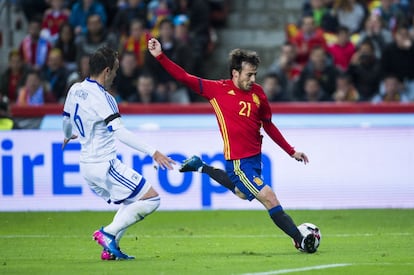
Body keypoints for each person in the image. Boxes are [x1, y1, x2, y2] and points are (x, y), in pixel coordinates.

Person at [148, 38, 318, 253]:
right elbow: (184, 77)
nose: (253, 79)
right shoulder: (216, 90)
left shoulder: (259, 94)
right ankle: (299, 238)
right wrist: (160, 56)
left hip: (255, 160)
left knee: (240, 192)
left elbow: (269, 125)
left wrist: (291, 150)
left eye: (255, 74)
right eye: (249, 74)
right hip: (238, 161)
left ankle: (201, 166)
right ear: (235, 73)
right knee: (269, 197)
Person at [62, 46, 175, 260]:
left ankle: (110, 249)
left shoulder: (75, 89)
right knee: (152, 199)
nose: (115, 75)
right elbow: (120, 132)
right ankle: (108, 233)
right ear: (106, 71)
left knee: (130, 201)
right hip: (104, 164)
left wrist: (67, 135)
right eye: (115, 70)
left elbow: (66, 120)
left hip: (86, 166)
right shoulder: (104, 98)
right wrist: (153, 152)